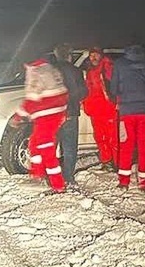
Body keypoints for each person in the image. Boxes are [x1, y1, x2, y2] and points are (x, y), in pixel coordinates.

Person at [110, 44, 145, 190]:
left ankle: (124, 181)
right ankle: (144, 182)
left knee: (126, 145)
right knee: (144, 146)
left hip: (126, 111)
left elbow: (113, 89)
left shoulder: (119, 64)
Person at [11, 56, 68, 193]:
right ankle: (37, 176)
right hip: (56, 113)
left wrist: (18, 116)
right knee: (34, 143)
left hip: (45, 115)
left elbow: (31, 98)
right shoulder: (50, 69)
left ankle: (58, 185)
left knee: (46, 149)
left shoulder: (35, 71)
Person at [51, 44, 87, 186]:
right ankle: (68, 177)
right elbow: (83, 92)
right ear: (69, 56)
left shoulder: (50, 71)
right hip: (71, 112)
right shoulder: (76, 71)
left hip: (54, 114)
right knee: (70, 147)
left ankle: (51, 176)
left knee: (52, 146)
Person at [82, 47, 117, 170]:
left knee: (112, 137)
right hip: (95, 110)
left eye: (96, 55)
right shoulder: (90, 70)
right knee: (100, 137)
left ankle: (117, 162)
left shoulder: (107, 67)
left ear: (101, 55)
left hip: (108, 109)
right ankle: (106, 160)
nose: (93, 58)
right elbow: (88, 90)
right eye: (91, 55)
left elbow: (115, 86)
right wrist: (86, 104)